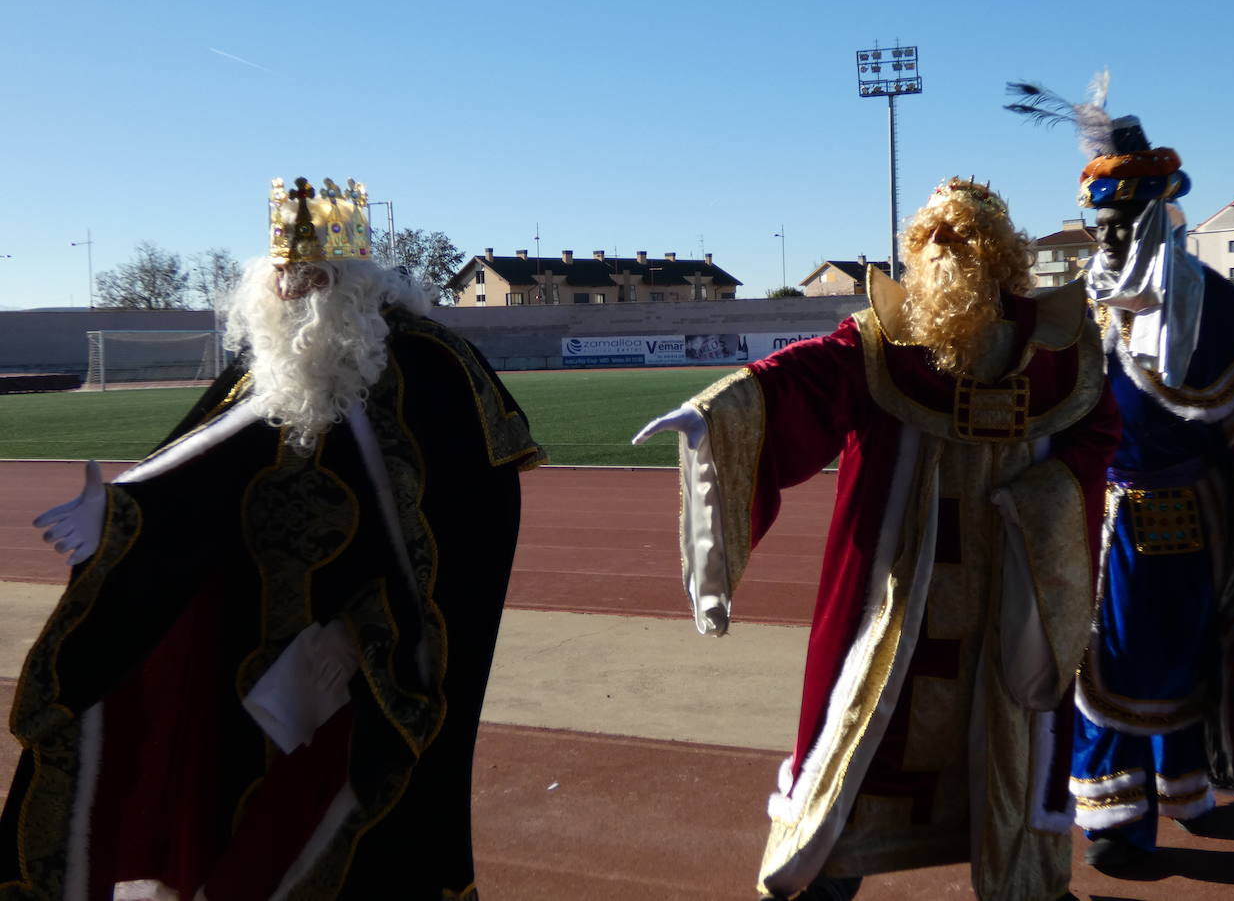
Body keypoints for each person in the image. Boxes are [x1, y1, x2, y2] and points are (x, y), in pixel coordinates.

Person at [0, 176, 544, 901]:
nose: (291, 287)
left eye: (310, 274)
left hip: (365, 651)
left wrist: (379, 629)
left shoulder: (428, 367)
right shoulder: (277, 356)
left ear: (352, 277)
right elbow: (210, 455)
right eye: (282, 272)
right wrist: (126, 516)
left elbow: (463, 517)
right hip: (254, 635)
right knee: (241, 819)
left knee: (346, 830)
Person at [634, 178, 1120, 901]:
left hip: (1012, 595)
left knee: (1010, 730)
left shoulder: (1060, 347)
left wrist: (1041, 504)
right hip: (899, 595)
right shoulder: (882, 344)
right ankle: (825, 873)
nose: (950, 258)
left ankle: (1028, 880)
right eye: (937, 242)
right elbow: (803, 382)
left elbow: (1097, 435)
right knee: (863, 726)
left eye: (963, 242)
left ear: (999, 257)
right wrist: (724, 409)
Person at [1007, 82, 1234, 869]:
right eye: (1097, 226)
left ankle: (1181, 786)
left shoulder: (1213, 308)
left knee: (1183, 659)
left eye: (1120, 225)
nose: (1106, 241)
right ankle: (1120, 816)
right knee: (1101, 659)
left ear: (1151, 217)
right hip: (1106, 516)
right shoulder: (1083, 304)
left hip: (1200, 521)